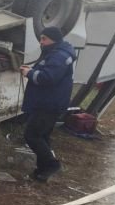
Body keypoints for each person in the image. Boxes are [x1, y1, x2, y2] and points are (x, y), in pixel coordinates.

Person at [19, 26, 76, 183]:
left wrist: (29, 73)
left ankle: (52, 165)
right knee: (42, 136)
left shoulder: (59, 56)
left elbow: (48, 78)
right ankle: (42, 170)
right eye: (40, 38)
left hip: (48, 104)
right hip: (51, 102)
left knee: (32, 135)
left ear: (54, 39)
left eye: (44, 39)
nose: (41, 42)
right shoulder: (57, 53)